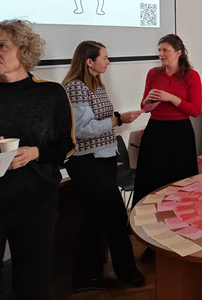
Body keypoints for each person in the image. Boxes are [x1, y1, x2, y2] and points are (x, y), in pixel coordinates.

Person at [0, 20, 75, 300]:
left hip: (36, 205)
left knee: (33, 284)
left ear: (24, 51)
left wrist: (36, 153)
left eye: (1, 46)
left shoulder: (51, 93)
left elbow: (67, 145)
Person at [62, 41, 144, 291]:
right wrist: (118, 119)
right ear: (90, 61)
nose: (108, 62)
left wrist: (116, 122)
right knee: (116, 216)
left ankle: (87, 277)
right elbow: (83, 130)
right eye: (104, 57)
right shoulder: (76, 87)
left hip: (103, 158)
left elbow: (100, 122)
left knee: (95, 220)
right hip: (87, 161)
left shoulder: (96, 84)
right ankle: (126, 272)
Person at [132, 34, 202, 206]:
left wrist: (171, 98)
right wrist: (147, 100)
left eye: (165, 50)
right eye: (159, 50)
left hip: (180, 132)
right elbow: (144, 107)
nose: (160, 54)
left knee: (179, 177)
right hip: (155, 130)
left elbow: (195, 110)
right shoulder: (153, 74)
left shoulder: (192, 76)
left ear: (178, 53)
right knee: (152, 176)